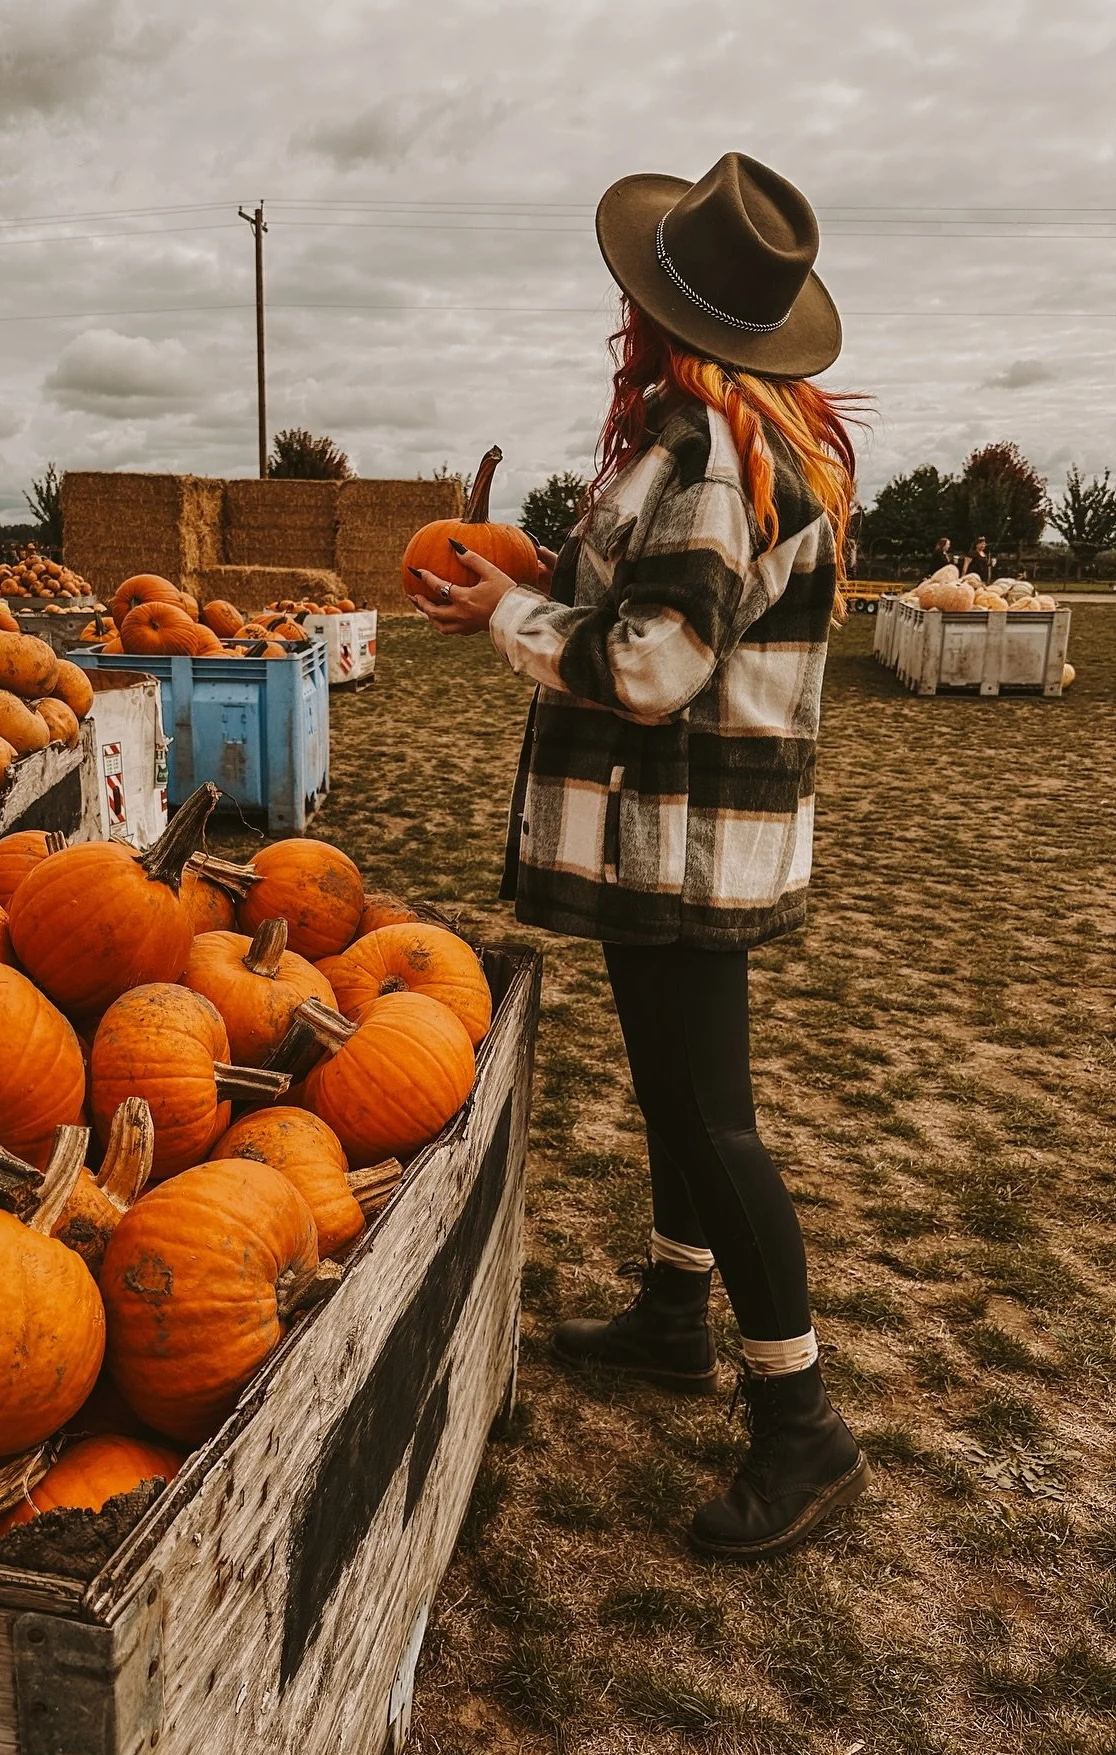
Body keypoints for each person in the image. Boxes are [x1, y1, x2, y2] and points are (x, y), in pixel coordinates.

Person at [410, 153, 869, 1559]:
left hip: (682, 836)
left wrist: (508, 617)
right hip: (661, 835)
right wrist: (542, 581)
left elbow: (658, 665)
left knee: (712, 1116)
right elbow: (657, 605)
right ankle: (677, 1312)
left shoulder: (711, 457)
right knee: (672, 1095)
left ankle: (805, 1426)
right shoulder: (712, 440)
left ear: (661, 314)